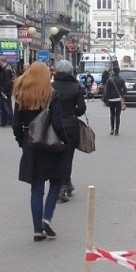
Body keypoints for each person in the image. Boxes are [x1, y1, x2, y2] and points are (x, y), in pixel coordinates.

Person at [12, 61, 67, 241]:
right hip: (50, 145)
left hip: (31, 145)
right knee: (56, 182)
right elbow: (58, 124)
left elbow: (15, 125)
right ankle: (47, 217)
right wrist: (64, 141)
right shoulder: (51, 95)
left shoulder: (21, 96)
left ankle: (37, 230)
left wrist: (23, 142)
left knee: (36, 188)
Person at [52, 59, 87, 201]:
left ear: (57, 71)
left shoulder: (51, 86)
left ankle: (62, 184)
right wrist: (73, 113)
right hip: (71, 126)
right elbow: (81, 109)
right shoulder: (76, 87)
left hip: (54, 125)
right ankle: (64, 185)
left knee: (55, 156)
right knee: (67, 156)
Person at [102, 61, 125, 135]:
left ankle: (112, 129)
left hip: (111, 99)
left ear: (113, 71)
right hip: (118, 99)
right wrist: (122, 96)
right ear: (119, 72)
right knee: (118, 115)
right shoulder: (121, 80)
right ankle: (117, 131)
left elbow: (107, 91)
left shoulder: (110, 80)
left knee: (112, 114)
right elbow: (125, 90)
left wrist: (106, 98)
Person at [0, 58, 15, 127]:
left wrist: (5, 91)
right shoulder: (5, 68)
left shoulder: (7, 69)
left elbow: (8, 82)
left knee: (7, 106)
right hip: (3, 91)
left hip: (5, 91)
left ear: (1, 61)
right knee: (3, 107)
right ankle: (3, 121)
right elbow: (1, 73)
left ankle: (10, 121)